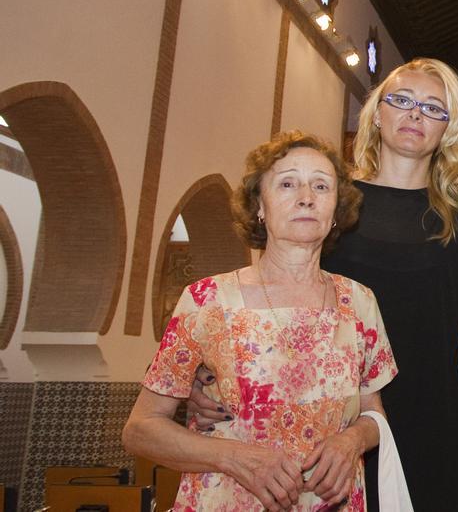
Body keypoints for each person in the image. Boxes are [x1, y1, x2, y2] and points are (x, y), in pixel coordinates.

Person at [190, 59, 458, 511]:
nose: (414, 115)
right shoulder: (331, 200)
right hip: (327, 412)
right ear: (377, 112)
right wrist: (207, 376)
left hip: (432, 409)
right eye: (402, 101)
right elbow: (266, 304)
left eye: (432, 108)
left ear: (450, 127)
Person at [123, 131, 397, 511]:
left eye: (321, 186)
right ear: (259, 207)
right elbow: (140, 429)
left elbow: (373, 412)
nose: (306, 197)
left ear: (336, 211)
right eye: (287, 183)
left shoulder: (360, 301)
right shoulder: (206, 300)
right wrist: (234, 458)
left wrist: (351, 442)